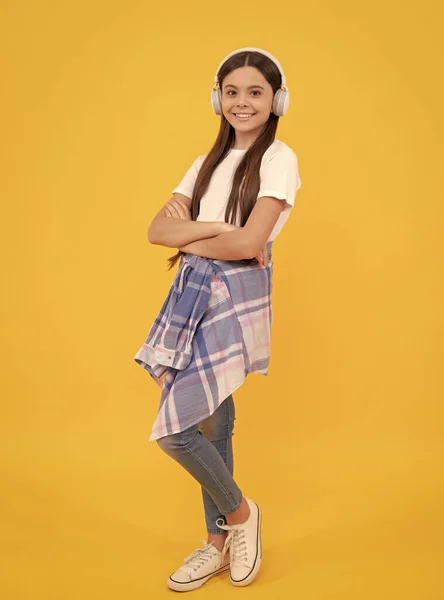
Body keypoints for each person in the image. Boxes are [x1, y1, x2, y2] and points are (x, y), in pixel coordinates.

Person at [134, 47, 301, 592]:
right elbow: (158, 232)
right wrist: (222, 234)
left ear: (276, 100)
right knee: (213, 423)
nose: (241, 102)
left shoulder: (280, 158)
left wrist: (199, 231)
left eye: (255, 92)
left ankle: (238, 514)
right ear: (217, 99)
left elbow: (255, 241)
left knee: (178, 430)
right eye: (232, 92)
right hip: (195, 291)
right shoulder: (204, 163)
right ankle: (221, 540)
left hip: (236, 295)